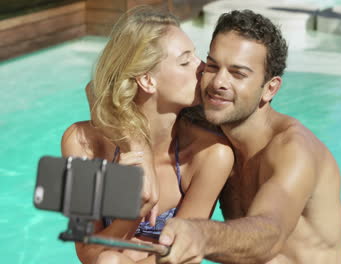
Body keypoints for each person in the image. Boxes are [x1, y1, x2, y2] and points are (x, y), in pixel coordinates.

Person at [156, 10, 341, 264]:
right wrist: (134, 151)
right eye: (213, 66)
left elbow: (271, 233)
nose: (218, 82)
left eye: (238, 74)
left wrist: (201, 234)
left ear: (270, 89)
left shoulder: (292, 149)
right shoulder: (212, 128)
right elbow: (109, 91)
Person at [61, 6, 234, 264]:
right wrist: (133, 210)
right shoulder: (82, 144)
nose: (201, 68)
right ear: (147, 80)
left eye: (196, 57)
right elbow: (85, 252)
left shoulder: (210, 155)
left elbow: (181, 257)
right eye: (185, 61)